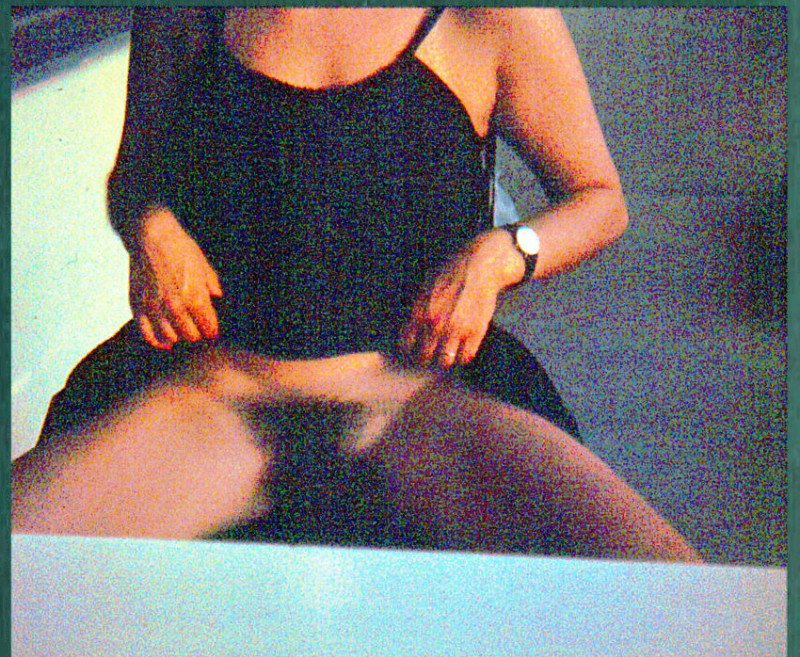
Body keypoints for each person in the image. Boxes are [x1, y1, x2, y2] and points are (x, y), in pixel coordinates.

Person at [11, 7, 701, 561]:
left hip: (419, 398)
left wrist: (501, 254)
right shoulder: (184, 13)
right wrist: (151, 229)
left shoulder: (489, 17)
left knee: (667, 588)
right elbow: (134, 176)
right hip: (215, 391)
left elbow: (600, 199)